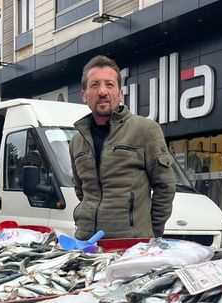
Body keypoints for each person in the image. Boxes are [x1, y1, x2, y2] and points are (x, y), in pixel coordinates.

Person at [70, 55, 176, 240]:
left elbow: (165, 187)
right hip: (85, 242)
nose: (102, 91)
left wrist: (150, 234)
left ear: (120, 94)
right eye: (94, 85)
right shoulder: (77, 142)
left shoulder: (145, 130)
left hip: (130, 244)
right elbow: (82, 191)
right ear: (84, 95)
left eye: (109, 84)